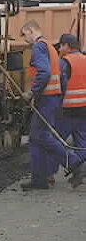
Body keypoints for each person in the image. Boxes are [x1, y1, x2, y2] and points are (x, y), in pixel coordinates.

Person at [20, 20, 84, 190]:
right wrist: (59, 98)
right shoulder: (50, 47)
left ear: (30, 30)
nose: (25, 40)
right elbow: (61, 79)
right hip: (53, 99)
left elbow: (44, 72)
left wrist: (32, 92)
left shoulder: (39, 47)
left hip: (46, 99)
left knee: (43, 136)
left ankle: (74, 162)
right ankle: (39, 180)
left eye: (24, 35)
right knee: (37, 138)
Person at [56, 33, 86, 188]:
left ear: (67, 46)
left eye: (60, 46)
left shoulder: (64, 62)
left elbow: (59, 85)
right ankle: (78, 173)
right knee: (82, 144)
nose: (59, 49)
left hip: (67, 109)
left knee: (54, 142)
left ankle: (47, 175)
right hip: (84, 110)